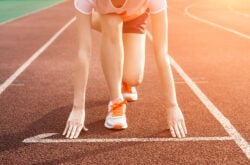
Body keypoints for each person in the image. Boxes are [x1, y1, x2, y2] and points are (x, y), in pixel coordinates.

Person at [63, 0, 187, 139]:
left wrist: (172, 106)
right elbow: (83, 53)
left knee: (133, 78)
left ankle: (125, 81)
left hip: (135, 17)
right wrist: (78, 108)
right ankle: (116, 101)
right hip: (107, 17)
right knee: (112, 22)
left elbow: (161, 53)